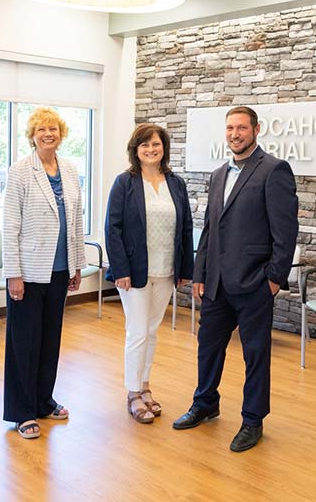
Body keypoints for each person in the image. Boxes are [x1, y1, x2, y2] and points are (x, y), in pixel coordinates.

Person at [172, 106, 299, 452]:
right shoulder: (217, 174)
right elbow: (211, 228)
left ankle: (252, 420)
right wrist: (199, 272)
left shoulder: (274, 170)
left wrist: (273, 280)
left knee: (255, 354)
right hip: (215, 284)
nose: (235, 134)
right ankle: (205, 403)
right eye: (230, 128)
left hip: (254, 284)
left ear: (256, 130)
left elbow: (286, 234)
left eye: (242, 127)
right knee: (208, 346)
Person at [2, 106, 86, 440]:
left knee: (50, 340)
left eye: (53, 129)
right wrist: (13, 274)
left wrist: (77, 264)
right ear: (32, 135)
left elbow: (75, 221)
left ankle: (43, 400)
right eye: (41, 130)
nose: (48, 134)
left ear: (61, 133)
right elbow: (10, 225)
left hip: (60, 267)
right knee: (24, 342)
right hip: (29, 270)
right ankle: (22, 411)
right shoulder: (20, 171)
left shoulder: (69, 168)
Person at [105, 123, 193, 424]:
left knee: (152, 330)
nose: (151, 149)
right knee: (138, 331)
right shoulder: (124, 183)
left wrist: (184, 269)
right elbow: (112, 229)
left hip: (166, 269)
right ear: (136, 150)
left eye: (156, 144)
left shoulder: (176, 183)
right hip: (133, 271)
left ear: (163, 148)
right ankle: (132, 392)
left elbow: (186, 228)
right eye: (145, 145)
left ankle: (145, 386)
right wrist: (120, 269)